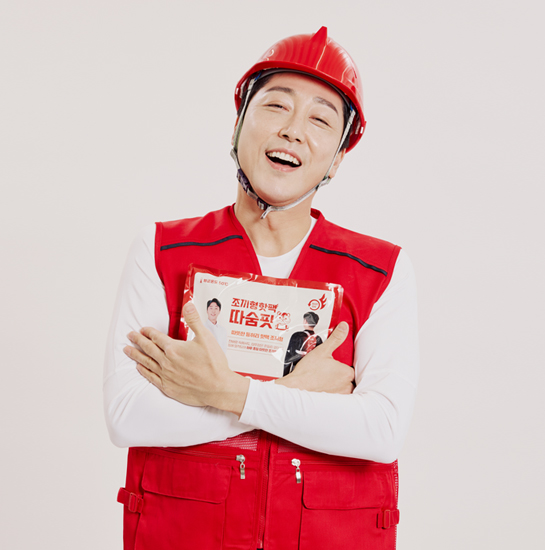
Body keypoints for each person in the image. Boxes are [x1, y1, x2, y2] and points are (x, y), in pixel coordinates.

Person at [104, 26, 419, 550]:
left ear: (338, 157)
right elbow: (127, 416)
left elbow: (381, 430)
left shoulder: (381, 270)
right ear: (239, 122)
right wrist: (293, 394)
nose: (294, 130)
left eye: (320, 119)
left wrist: (219, 391)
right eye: (276, 106)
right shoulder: (160, 251)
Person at [283, 311, 323, 376]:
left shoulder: (297, 335)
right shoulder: (318, 338)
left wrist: (285, 375)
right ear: (316, 323)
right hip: (310, 372)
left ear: (305, 321)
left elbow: (288, 357)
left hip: (296, 370)